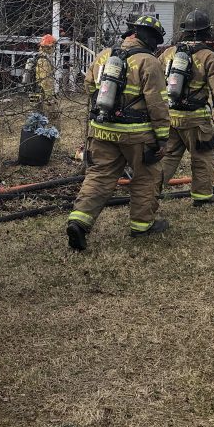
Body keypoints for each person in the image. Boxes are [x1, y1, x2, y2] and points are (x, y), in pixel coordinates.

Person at [66, 14, 170, 251]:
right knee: (146, 177)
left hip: (102, 130)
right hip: (137, 135)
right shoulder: (149, 62)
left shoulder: (104, 55)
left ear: (131, 33)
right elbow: (158, 104)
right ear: (151, 39)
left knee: (99, 176)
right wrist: (162, 138)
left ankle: (79, 221)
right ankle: (142, 226)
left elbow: (89, 86)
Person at [159, 9, 214, 206]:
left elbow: (157, 84)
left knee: (168, 157)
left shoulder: (168, 53)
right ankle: (202, 197)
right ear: (206, 31)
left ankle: (149, 192)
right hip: (196, 120)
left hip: (170, 116)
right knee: (203, 156)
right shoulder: (208, 56)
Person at [32, 34, 61, 130]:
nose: (54, 49)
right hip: (42, 94)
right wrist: (50, 98)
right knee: (50, 119)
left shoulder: (37, 57)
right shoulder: (44, 60)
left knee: (36, 116)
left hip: (34, 92)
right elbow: (45, 80)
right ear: (49, 47)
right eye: (53, 46)